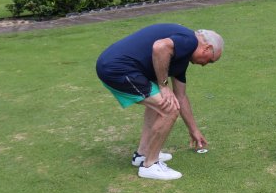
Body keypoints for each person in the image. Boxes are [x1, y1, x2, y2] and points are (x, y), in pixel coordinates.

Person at [96, 24, 224, 180]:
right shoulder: (189, 41)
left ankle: (142, 155)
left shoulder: (182, 56)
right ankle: (150, 165)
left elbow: (181, 96)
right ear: (207, 48)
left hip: (115, 65)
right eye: (210, 60)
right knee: (169, 108)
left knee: (162, 104)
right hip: (117, 68)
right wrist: (163, 86)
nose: (205, 64)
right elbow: (159, 47)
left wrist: (194, 130)